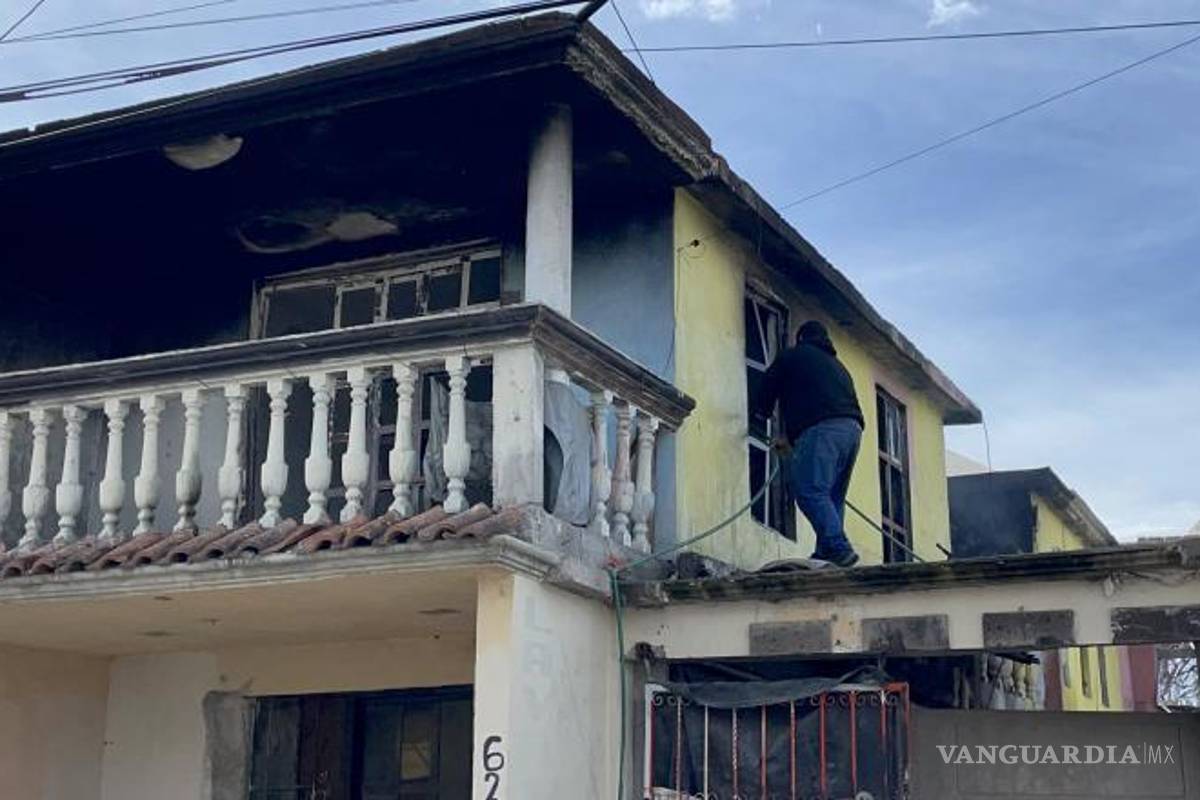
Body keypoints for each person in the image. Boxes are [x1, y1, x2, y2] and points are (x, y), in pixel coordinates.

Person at [757, 319, 864, 566]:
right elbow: (809, 395)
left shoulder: (793, 356)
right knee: (832, 496)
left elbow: (769, 383)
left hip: (822, 429)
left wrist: (759, 415)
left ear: (801, 338)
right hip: (852, 431)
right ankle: (826, 551)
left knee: (809, 491)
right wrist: (791, 437)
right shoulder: (838, 367)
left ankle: (838, 548)